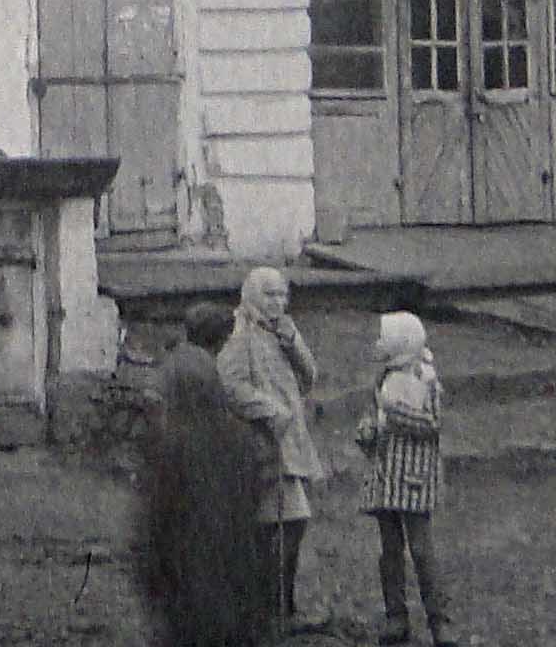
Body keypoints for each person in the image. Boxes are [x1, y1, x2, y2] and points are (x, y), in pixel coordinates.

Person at [135, 303, 275, 647]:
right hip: (226, 570)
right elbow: (254, 505)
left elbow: (154, 520)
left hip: (186, 571)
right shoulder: (237, 440)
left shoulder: (173, 446)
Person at [217, 265, 326, 631]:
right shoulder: (241, 335)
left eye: (282, 295)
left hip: (288, 442)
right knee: (284, 524)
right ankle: (272, 608)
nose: (278, 302)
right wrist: (268, 409)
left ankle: (276, 607)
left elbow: (309, 377)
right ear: (252, 296)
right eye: (269, 295)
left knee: (286, 525)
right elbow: (230, 385)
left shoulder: (282, 332)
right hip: (262, 444)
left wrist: (293, 341)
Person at [352, 311, 454, 647]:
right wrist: (367, 430)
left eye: (384, 338)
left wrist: (395, 415)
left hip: (414, 477)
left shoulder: (425, 380)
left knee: (421, 549)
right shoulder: (383, 379)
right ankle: (396, 616)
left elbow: (432, 425)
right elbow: (373, 416)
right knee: (390, 549)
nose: (378, 344)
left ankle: (439, 620)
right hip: (386, 477)